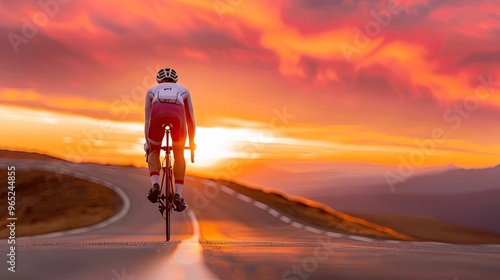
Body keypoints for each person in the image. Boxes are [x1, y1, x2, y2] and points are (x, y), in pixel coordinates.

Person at [144, 68, 196, 212]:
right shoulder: (183, 90)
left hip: (157, 111)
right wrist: (191, 144)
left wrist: (148, 145)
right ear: (175, 80)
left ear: (159, 80)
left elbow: (147, 121)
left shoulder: (151, 90)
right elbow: (191, 120)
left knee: (154, 151)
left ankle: (155, 185)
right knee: (179, 154)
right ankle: (178, 195)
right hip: (177, 113)